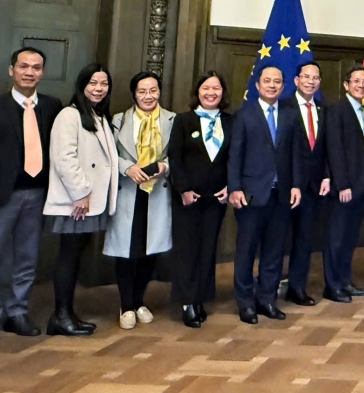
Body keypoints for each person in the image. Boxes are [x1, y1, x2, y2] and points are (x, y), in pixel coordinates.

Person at [0, 47, 62, 346]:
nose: (29, 72)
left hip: (37, 195)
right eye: (23, 66)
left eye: (36, 67)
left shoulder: (52, 106)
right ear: (12, 70)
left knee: (26, 258)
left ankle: (17, 312)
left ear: (42, 73)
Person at [43, 64, 119, 336]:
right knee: (69, 256)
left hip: (91, 201)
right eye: (93, 83)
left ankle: (67, 313)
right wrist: (80, 193)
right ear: (81, 85)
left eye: (104, 84)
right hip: (78, 202)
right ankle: (60, 316)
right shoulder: (69, 115)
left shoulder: (98, 116)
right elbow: (64, 158)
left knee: (75, 257)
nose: (98, 89)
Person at [227, 65, 302, 324]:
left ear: (283, 86)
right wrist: (234, 187)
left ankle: (267, 299)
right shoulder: (244, 114)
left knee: (274, 251)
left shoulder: (291, 115)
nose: (272, 85)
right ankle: (246, 303)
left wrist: (295, 184)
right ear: (257, 85)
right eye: (267, 81)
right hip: (250, 195)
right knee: (246, 252)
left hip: (281, 194)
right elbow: (234, 154)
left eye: (277, 82)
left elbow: (295, 154)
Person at [105, 71, 174, 330]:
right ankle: (126, 305)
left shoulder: (172, 120)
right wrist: (127, 167)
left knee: (150, 249)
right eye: (142, 91)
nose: (148, 96)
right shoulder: (119, 120)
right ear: (134, 93)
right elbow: (109, 153)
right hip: (128, 191)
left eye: (153, 90)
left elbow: (179, 155)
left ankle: (139, 299)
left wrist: (165, 166)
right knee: (127, 250)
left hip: (156, 192)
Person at [167, 71, 231, 328]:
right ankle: (186, 301)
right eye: (206, 88)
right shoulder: (183, 121)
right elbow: (175, 157)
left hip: (217, 198)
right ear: (197, 92)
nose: (211, 92)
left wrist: (231, 186)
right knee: (187, 250)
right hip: (188, 198)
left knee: (207, 250)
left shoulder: (231, 121)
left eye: (216, 88)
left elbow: (234, 157)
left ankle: (201, 298)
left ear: (223, 93)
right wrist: (183, 189)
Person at [322, 66, 364, 303]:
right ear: (346, 85)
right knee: (336, 238)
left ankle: (344, 282)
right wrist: (342, 184)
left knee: (349, 238)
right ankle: (332, 286)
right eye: (356, 81)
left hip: (362, 185)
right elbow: (334, 149)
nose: (361, 85)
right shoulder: (337, 110)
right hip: (345, 187)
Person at [282, 62, 330, 306]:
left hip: (313, 187)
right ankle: (268, 287)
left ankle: (296, 287)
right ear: (296, 80)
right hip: (285, 186)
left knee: (304, 240)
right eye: (306, 77)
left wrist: (327, 175)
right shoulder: (282, 106)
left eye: (315, 77)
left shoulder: (323, 109)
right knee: (277, 239)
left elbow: (327, 149)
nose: (311, 81)